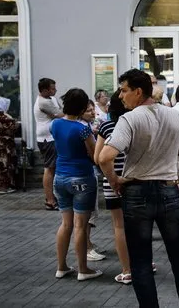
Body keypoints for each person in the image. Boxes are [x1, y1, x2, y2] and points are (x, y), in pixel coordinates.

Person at [98, 69, 179, 308]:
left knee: (141, 261)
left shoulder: (130, 119)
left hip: (136, 193)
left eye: (124, 90)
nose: (121, 96)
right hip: (169, 190)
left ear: (138, 91)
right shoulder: (174, 115)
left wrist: (115, 181)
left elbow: (104, 157)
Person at [50, 88, 102, 281]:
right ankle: (83, 269)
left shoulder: (55, 124)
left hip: (60, 176)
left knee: (65, 224)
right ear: (81, 108)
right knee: (80, 226)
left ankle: (61, 266)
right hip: (81, 177)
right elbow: (94, 153)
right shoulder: (82, 129)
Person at [94, 90, 132, 284]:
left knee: (119, 226)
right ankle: (146, 262)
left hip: (112, 181)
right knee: (140, 225)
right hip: (134, 180)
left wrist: (111, 177)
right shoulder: (135, 124)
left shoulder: (106, 126)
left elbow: (97, 157)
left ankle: (126, 270)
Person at [78, 100, 105, 262]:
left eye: (93, 109)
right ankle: (86, 248)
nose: (93, 112)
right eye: (88, 110)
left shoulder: (68, 125)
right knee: (87, 214)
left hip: (78, 173)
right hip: (87, 173)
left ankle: (87, 243)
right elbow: (94, 153)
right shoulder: (82, 129)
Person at [34, 77, 63, 210]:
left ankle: (54, 197)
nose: (55, 90)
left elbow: (61, 111)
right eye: (52, 88)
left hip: (53, 136)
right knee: (49, 168)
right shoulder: (43, 102)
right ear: (44, 90)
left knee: (53, 168)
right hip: (47, 138)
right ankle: (50, 200)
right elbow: (60, 115)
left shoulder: (51, 99)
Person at [0, 97, 17, 194]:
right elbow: (13, 129)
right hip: (3, 147)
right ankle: (3, 188)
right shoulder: (6, 117)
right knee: (3, 166)